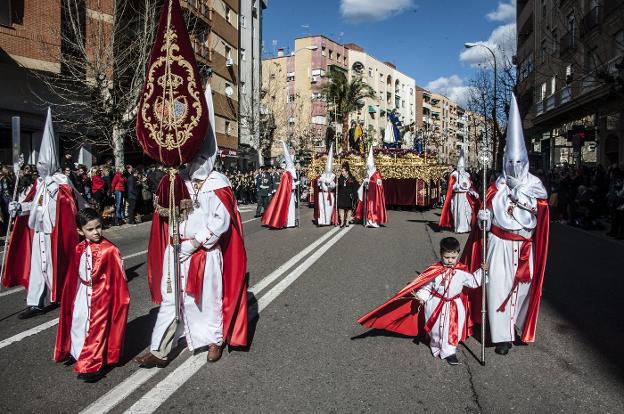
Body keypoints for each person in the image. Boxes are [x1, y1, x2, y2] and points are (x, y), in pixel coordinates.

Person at [135, 82, 248, 367]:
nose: (196, 160)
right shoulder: (178, 179)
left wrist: (195, 243)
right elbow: (167, 212)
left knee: (208, 300)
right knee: (171, 299)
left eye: (201, 155)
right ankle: (159, 348)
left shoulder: (218, 184)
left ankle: (214, 340)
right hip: (176, 249)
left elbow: (220, 223)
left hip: (204, 254)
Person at [462, 94, 550, 356]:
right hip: (499, 244)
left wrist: (519, 197)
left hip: (523, 246)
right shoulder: (495, 185)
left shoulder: (535, 186)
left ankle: (516, 325)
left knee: (522, 290)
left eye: (518, 163)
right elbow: (483, 216)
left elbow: (540, 213)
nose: (513, 167)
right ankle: (502, 337)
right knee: (498, 287)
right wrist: (483, 218)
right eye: (509, 163)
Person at [2, 108, 80, 319]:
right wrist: (19, 207)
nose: (41, 166)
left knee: (56, 266)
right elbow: (34, 205)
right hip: (38, 231)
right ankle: (35, 302)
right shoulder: (39, 183)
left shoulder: (62, 183)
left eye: (45, 162)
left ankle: (62, 294)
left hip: (56, 232)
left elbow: (71, 206)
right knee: (37, 266)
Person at [358, 237, 485, 365]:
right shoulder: (435, 270)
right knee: (436, 328)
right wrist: (421, 297)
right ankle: (435, 344)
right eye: (447, 257)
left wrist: (482, 271)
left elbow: (474, 281)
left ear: (458, 254)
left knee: (451, 328)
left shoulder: (461, 272)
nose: (450, 261)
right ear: (441, 254)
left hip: (453, 306)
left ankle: (450, 351)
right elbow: (427, 286)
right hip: (435, 303)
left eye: (453, 257)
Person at [54, 208, 129, 382]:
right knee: (80, 323)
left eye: (98, 227)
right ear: (80, 231)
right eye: (90, 229)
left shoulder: (110, 249)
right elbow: (74, 274)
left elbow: (119, 278)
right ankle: (82, 354)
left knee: (98, 329)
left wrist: (117, 300)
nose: (96, 232)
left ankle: (93, 364)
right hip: (83, 293)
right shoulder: (79, 248)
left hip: (102, 295)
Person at [439, 146, 479, 233]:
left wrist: (473, 191)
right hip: (457, 196)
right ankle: (459, 228)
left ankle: (467, 227)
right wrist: (457, 187)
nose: (461, 167)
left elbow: (470, 185)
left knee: (468, 212)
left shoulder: (467, 174)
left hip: (466, 196)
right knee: (459, 212)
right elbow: (451, 187)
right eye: (459, 166)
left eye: (462, 166)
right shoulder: (454, 174)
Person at [261, 141, 298, 229]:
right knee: (289, 208)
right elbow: (288, 185)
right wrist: (294, 185)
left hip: (291, 193)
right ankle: (288, 222)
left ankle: (290, 222)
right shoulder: (287, 173)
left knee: (290, 208)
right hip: (289, 193)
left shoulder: (288, 172)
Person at [354, 147, 387, 228]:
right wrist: (364, 183)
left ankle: (374, 221)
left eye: (369, 166)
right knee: (368, 207)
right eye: (367, 166)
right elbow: (365, 181)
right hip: (368, 194)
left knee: (374, 207)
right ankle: (368, 221)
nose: (368, 167)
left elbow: (379, 184)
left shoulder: (376, 174)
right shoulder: (368, 173)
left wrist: (370, 182)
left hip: (375, 195)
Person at [314, 145, 337, 226]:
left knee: (329, 208)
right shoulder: (322, 175)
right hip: (322, 193)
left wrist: (329, 183)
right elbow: (317, 184)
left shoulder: (333, 176)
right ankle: (321, 221)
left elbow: (334, 185)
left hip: (329, 194)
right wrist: (320, 181)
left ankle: (327, 220)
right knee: (321, 207)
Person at [337, 162, 358, 227]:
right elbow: (338, 186)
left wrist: (355, 195)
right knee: (341, 208)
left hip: (349, 196)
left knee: (349, 208)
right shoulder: (340, 178)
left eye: (343, 171)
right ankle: (342, 222)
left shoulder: (352, 178)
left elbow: (355, 187)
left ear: (347, 171)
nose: (342, 173)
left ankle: (347, 222)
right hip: (341, 195)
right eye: (342, 171)